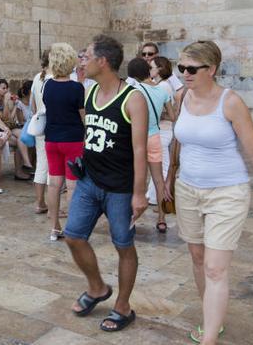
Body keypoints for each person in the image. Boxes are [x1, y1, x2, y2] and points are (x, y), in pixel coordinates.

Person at [170, 41, 253, 344]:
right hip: (187, 189)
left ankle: (209, 339)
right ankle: (213, 320)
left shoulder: (230, 102)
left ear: (212, 69)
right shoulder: (180, 97)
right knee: (197, 258)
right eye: (181, 67)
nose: (184, 73)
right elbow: (180, 142)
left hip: (227, 192)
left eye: (192, 69)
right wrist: (170, 177)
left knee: (215, 268)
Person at [64, 35, 148, 333]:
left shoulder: (133, 99)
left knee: (123, 245)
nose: (81, 61)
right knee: (73, 235)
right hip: (89, 181)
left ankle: (123, 306)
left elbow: (140, 150)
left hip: (120, 188)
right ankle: (97, 287)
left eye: (86, 56)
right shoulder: (89, 92)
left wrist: (139, 193)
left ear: (103, 61)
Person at [43, 43, 86, 242]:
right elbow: (83, 117)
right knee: (72, 186)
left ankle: (54, 228)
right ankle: (72, 228)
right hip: (72, 140)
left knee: (54, 184)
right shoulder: (77, 88)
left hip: (51, 139)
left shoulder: (47, 85)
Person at [126, 57, 173, 233]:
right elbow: (172, 115)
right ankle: (161, 219)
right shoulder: (162, 91)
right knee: (158, 179)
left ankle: (130, 216)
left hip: (136, 138)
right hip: (155, 137)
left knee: (134, 179)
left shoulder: (133, 91)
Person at [149, 56, 180, 205]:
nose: (150, 70)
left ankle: (161, 196)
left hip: (163, 129)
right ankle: (154, 195)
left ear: (160, 69)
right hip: (163, 129)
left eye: (152, 67)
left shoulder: (163, 86)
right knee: (161, 163)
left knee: (162, 164)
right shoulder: (161, 85)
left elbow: (161, 111)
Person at [0, 79, 33, 180]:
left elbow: (10, 119)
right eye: (3, 88)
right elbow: (3, 119)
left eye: (7, 88)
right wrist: (6, 102)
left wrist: (15, 105)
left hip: (7, 128)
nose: (6, 90)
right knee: (20, 141)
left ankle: (25, 165)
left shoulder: (6, 100)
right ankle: (22, 168)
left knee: (23, 136)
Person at [30, 51, 52, 214]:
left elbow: (33, 105)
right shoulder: (55, 78)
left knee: (41, 165)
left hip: (40, 124)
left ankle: (40, 203)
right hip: (53, 125)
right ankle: (53, 205)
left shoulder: (38, 77)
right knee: (54, 168)